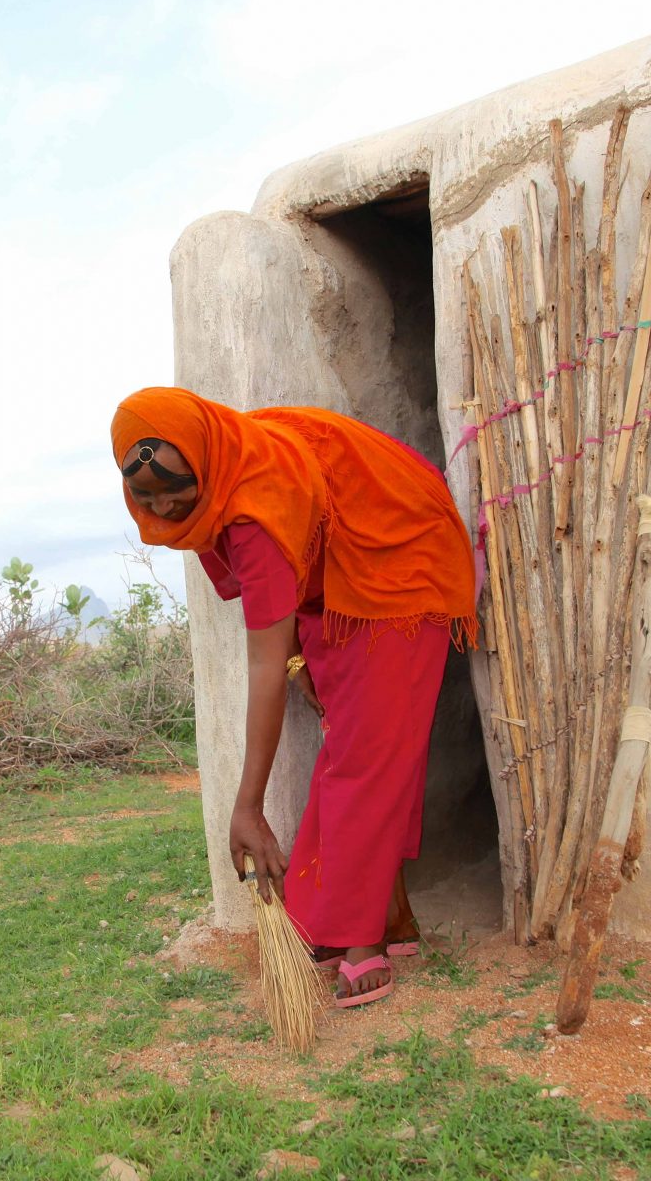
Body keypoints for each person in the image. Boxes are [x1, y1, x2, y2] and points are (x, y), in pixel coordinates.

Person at [111, 386, 475, 1007]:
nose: (164, 506)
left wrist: (247, 805)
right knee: (360, 744)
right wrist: (302, 655)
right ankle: (387, 915)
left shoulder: (253, 506)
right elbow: (279, 622)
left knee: (368, 755)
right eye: (143, 494)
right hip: (337, 572)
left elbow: (263, 660)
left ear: (203, 462)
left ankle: (357, 939)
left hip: (401, 559)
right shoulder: (216, 477)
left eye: (175, 488)